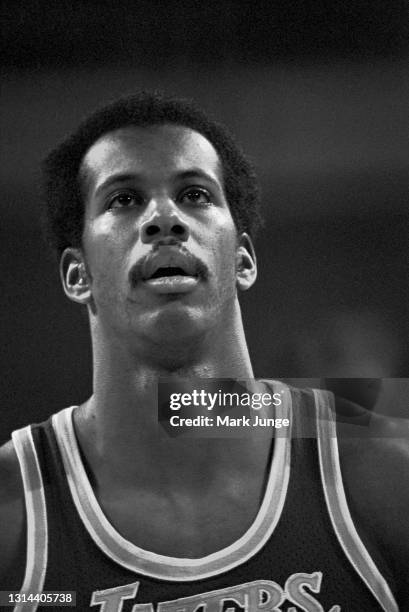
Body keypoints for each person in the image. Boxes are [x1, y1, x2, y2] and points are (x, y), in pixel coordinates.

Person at [0, 92, 407, 611]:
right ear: (77, 275)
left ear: (242, 257)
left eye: (194, 194)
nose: (163, 217)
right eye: (123, 199)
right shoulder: (13, 511)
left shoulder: (377, 471)